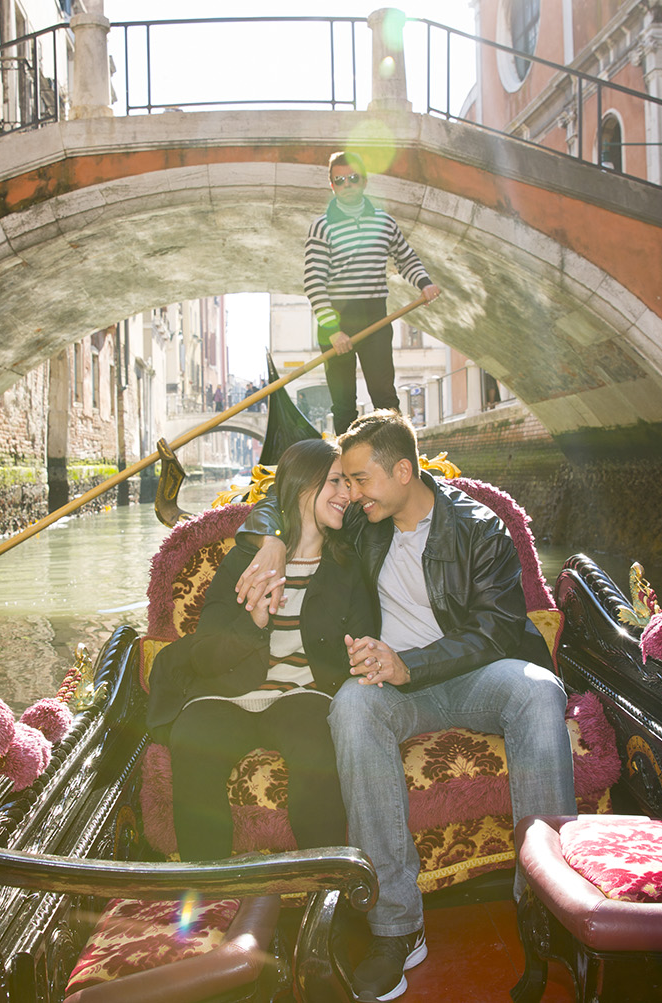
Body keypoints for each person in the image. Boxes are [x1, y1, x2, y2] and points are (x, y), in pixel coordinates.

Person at [235, 411, 573, 1003]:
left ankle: (548, 904)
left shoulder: (478, 528)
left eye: (362, 479)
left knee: (538, 689)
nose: (351, 491)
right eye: (347, 481)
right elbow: (287, 499)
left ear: (403, 470)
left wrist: (410, 663)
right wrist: (267, 537)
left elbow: (496, 631)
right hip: (395, 693)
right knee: (351, 707)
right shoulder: (364, 524)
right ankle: (396, 924)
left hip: (472, 677)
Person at [146, 438, 378, 861]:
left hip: (303, 696)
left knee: (318, 749)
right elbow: (205, 654)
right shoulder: (243, 563)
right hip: (226, 693)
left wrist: (361, 654)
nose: (347, 494)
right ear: (302, 486)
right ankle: (208, 890)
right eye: (334, 482)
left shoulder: (346, 565)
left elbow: (362, 639)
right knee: (194, 739)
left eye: (348, 483)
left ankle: (321, 886)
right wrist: (253, 621)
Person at [304, 152, 441, 436]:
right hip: (336, 320)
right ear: (332, 186)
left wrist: (424, 284)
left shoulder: (384, 222)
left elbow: (406, 258)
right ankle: (345, 466)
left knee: (385, 399)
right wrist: (333, 330)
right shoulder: (322, 226)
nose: (347, 185)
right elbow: (314, 281)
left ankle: (400, 460)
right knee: (343, 406)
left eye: (353, 178)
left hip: (374, 316)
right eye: (340, 181)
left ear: (364, 181)